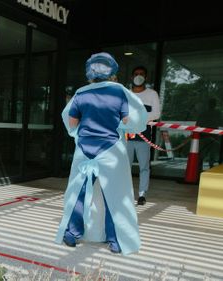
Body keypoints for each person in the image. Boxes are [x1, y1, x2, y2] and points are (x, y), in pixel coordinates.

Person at [55, 52, 148, 255]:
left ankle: (71, 234)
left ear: (89, 72)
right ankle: (116, 241)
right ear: (113, 72)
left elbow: (71, 124)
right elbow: (129, 122)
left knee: (78, 193)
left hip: (84, 150)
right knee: (115, 195)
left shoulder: (80, 93)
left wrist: (82, 132)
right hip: (111, 150)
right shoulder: (119, 92)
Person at [126, 66, 160, 206]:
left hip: (144, 137)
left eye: (141, 74)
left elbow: (156, 114)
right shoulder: (126, 94)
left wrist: (139, 119)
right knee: (124, 167)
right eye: (136, 74)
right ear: (132, 76)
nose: (138, 76)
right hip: (126, 137)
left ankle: (142, 194)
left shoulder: (152, 94)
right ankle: (125, 193)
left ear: (146, 77)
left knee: (144, 167)